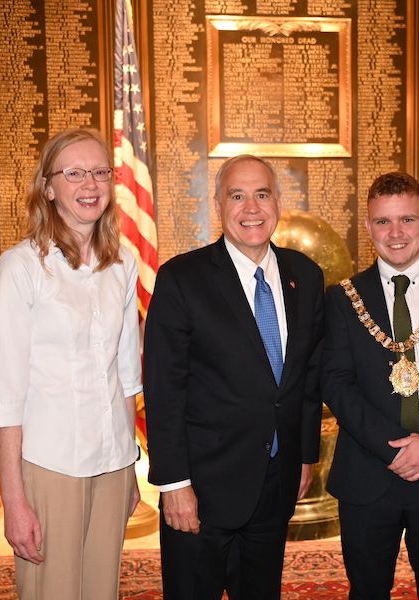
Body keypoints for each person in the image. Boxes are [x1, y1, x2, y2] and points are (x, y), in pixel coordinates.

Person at [143, 154, 324, 598]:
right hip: (201, 492)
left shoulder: (306, 275)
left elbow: (308, 377)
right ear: (219, 205)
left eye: (261, 194)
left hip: (275, 485)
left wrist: (304, 457)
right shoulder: (181, 278)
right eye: (237, 196)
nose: (251, 208)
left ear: (277, 202)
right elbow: (164, 389)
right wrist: (174, 485)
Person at [0, 127, 142, 599]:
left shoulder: (122, 265)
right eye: (74, 173)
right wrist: (14, 499)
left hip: (112, 462)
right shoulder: (20, 269)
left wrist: (129, 466)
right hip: (50, 465)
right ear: (48, 188)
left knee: (101, 591)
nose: (89, 184)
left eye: (99, 172)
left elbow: (127, 376)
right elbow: (6, 398)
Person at [321, 172, 419, 599]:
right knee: (367, 591)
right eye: (383, 222)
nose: (396, 234)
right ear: (369, 227)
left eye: (407, 220)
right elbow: (336, 384)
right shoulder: (341, 299)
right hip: (368, 474)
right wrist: (392, 447)